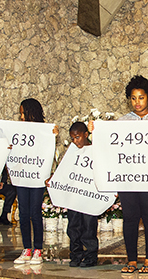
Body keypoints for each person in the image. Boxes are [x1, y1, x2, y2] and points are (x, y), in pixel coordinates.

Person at [114, 75, 148, 274]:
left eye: (141, 98)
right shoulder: (122, 122)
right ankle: (131, 260)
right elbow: (110, 145)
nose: (137, 102)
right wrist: (95, 131)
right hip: (127, 177)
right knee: (130, 218)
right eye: (134, 98)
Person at [45, 122, 98, 268]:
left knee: (89, 227)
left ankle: (91, 256)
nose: (75, 141)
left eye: (77, 137)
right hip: (74, 195)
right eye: (73, 138)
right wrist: (53, 180)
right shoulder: (72, 151)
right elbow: (64, 170)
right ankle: (75, 254)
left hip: (90, 196)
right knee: (74, 226)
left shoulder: (96, 150)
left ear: (86, 135)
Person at [13, 98, 58, 265]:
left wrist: (52, 135)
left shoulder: (44, 130)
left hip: (37, 177)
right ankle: (26, 248)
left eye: (23, 113)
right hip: (22, 176)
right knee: (23, 213)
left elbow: (48, 152)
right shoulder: (19, 129)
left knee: (35, 213)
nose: (22, 117)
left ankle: (38, 248)